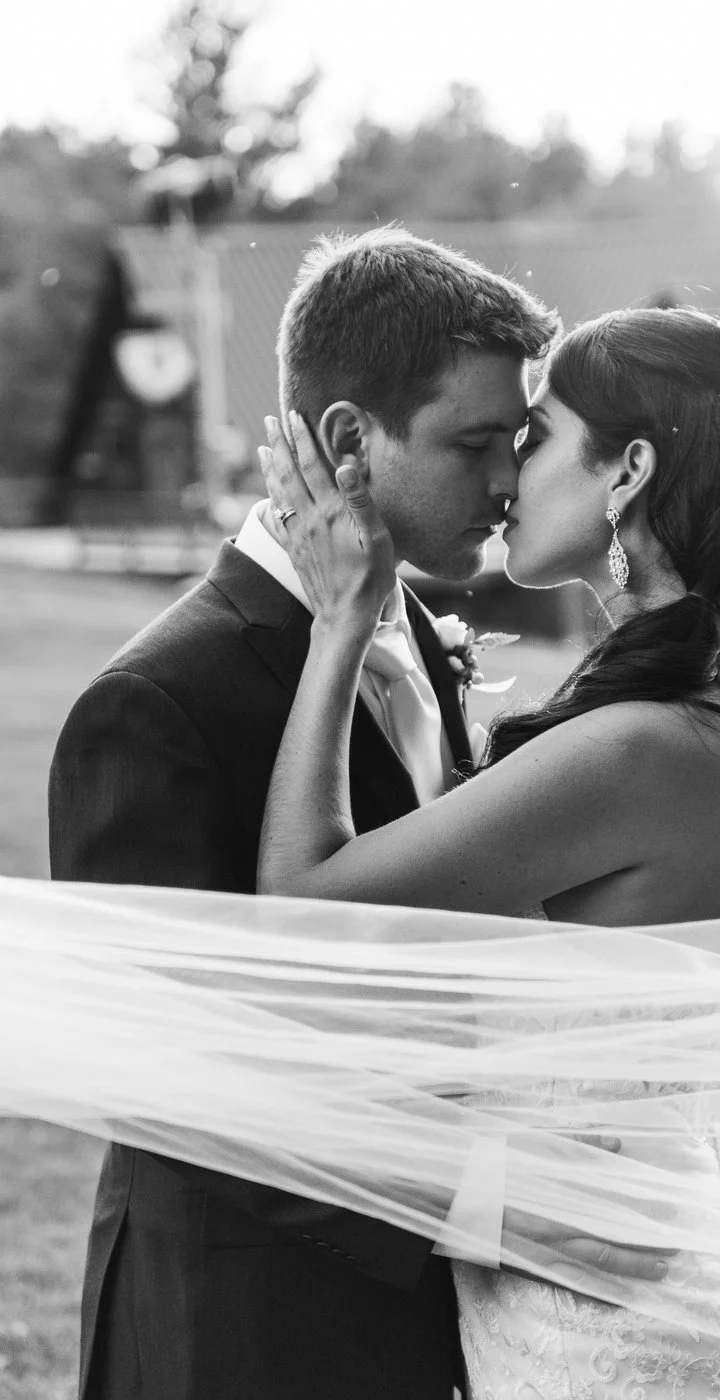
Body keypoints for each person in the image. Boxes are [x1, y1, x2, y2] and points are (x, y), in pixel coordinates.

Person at [47, 228, 670, 1400]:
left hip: (429, 1327)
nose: (506, 481)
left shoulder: (407, 634)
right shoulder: (154, 704)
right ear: (349, 441)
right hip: (238, 1332)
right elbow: (181, 1080)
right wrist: (491, 1197)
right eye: (476, 441)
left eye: (519, 441)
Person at [253, 305, 720, 1399]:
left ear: (626, 473)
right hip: (663, 1277)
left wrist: (342, 622)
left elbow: (302, 903)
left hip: (613, 1333)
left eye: (541, 431)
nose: (511, 469)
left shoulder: (642, 743)